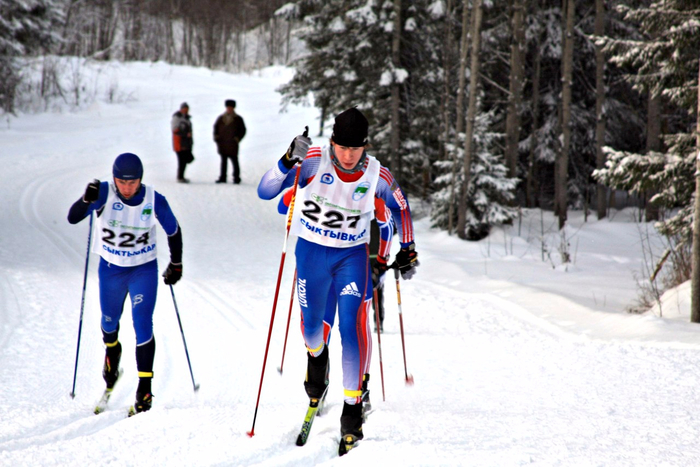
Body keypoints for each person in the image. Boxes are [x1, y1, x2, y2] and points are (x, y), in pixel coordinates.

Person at [257, 107, 419, 455]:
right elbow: (265, 191)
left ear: (365, 146)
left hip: (350, 259)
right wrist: (287, 160)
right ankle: (318, 362)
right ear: (332, 143)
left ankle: (352, 411)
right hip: (312, 257)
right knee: (312, 331)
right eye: (341, 147)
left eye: (355, 149)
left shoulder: (378, 175)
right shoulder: (313, 161)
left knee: (352, 326)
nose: (347, 155)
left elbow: (401, 208)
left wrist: (408, 249)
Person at [67, 153, 184, 415]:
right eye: (122, 182)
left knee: (142, 323)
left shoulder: (154, 200)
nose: (127, 188)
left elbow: (174, 231)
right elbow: (73, 218)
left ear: (141, 180)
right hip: (111, 270)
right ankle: (112, 352)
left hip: (143, 270)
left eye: (133, 183)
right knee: (109, 323)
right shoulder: (103, 194)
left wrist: (176, 263)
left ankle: (145, 387)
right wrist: (86, 199)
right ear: (114, 179)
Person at [213, 99, 246, 184]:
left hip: (232, 144)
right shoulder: (221, 118)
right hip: (222, 143)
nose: (229, 109)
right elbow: (215, 128)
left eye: (231, 107)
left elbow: (243, 130)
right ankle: (222, 177)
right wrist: (216, 137)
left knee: (234, 161)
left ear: (233, 108)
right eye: (228, 107)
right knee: (223, 161)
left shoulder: (238, 119)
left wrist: (237, 139)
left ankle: (236, 178)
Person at [171, 102, 194, 183]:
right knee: (182, 160)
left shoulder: (187, 118)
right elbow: (175, 130)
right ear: (181, 109)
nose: (186, 110)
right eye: (184, 109)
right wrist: (185, 134)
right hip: (179, 144)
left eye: (187, 109)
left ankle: (181, 176)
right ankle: (180, 177)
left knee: (187, 159)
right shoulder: (177, 117)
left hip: (186, 144)